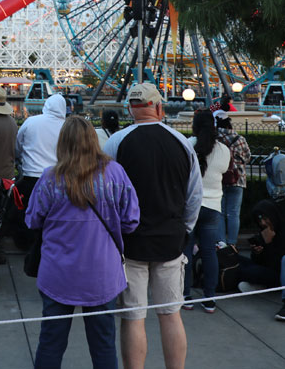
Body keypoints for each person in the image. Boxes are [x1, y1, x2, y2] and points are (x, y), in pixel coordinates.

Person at [26, 116, 140, 368]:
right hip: (102, 273)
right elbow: (131, 220)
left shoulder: (49, 179)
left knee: (51, 342)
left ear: (62, 142)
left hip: (58, 273)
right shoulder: (115, 174)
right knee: (103, 345)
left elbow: (32, 221)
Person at [102, 83, 202, 369]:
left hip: (130, 243)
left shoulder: (117, 142)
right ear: (159, 107)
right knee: (170, 314)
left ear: (130, 109)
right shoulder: (182, 143)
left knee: (133, 317)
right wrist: (184, 229)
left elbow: (108, 194)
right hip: (170, 241)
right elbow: (193, 196)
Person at [184, 109, 230, 313]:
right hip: (213, 207)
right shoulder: (223, 150)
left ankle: (186, 295)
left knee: (186, 252)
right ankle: (209, 297)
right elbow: (225, 171)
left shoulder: (187, 145)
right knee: (210, 252)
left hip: (190, 206)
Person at [14, 93, 68, 247]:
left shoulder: (31, 121)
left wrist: (20, 159)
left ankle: (25, 243)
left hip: (31, 176)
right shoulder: (67, 126)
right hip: (58, 178)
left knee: (27, 211)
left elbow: (17, 145)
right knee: (53, 213)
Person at [237, 199, 285, 288]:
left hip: (279, 276)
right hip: (266, 267)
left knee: (248, 271)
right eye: (260, 220)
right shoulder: (266, 230)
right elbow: (258, 261)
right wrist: (257, 252)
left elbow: (277, 266)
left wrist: (269, 244)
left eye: (265, 218)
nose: (263, 223)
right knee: (236, 259)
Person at [215, 111, 250, 246]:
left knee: (221, 212)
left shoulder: (215, 138)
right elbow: (247, 157)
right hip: (238, 178)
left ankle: (221, 242)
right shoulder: (239, 138)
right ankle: (232, 243)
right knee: (234, 213)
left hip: (221, 177)